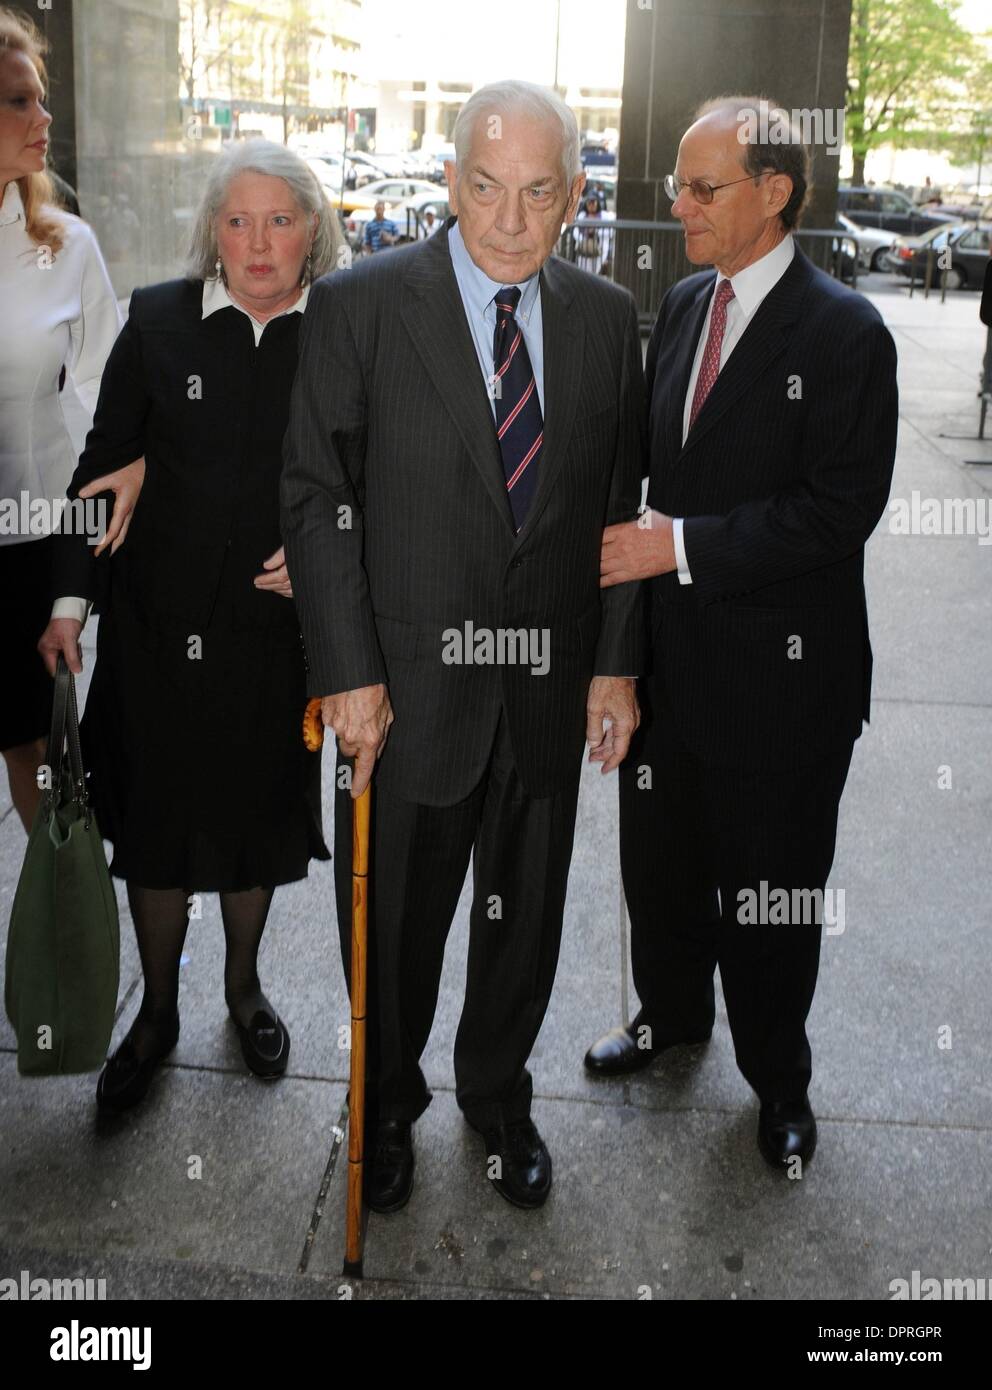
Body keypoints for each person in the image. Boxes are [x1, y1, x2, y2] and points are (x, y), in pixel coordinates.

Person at [282, 80, 645, 1212]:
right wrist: (346, 668)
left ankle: (497, 1098)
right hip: (404, 698)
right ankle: (382, 1105)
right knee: (390, 933)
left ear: (572, 198)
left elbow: (620, 507)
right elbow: (313, 492)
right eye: (484, 188)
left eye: (538, 193)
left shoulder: (599, 319)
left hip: (543, 692)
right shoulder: (359, 306)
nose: (507, 219)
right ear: (449, 182)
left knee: (522, 923)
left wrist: (615, 663)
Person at [584, 97, 899, 1172]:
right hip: (671, 679)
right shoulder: (678, 305)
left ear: (773, 193)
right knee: (658, 877)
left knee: (769, 898)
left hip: (783, 692)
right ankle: (669, 1020)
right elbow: (649, 480)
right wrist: (619, 661)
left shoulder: (846, 332)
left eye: (700, 188)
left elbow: (836, 510)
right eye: (676, 183)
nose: (677, 205)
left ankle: (778, 1082)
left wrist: (677, 547)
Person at [39, 140, 342, 1112]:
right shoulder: (159, 319)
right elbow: (102, 462)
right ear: (212, 230)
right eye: (238, 220)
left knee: (256, 831)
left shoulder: (343, 331)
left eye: (280, 220)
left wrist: (335, 542)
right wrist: (67, 602)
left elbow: (383, 471)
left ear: (312, 233)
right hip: (156, 638)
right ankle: (158, 1010)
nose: (258, 243)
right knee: (161, 836)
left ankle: (243, 988)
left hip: (270, 646)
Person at [0, 7, 124, 832]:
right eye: (20, 101)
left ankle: (56, 953)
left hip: (35, 548)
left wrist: (74, 582)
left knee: (41, 765)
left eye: (42, 99)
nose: (44, 119)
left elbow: (106, 421)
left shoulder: (67, 247)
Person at [572, 190, 613, 275]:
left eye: (593, 202)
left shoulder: (605, 216)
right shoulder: (582, 215)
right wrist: (583, 238)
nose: (591, 205)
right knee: (583, 272)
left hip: (599, 250)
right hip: (584, 249)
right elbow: (575, 231)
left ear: (597, 203)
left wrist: (596, 232)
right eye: (589, 203)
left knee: (594, 273)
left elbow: (611, 231)